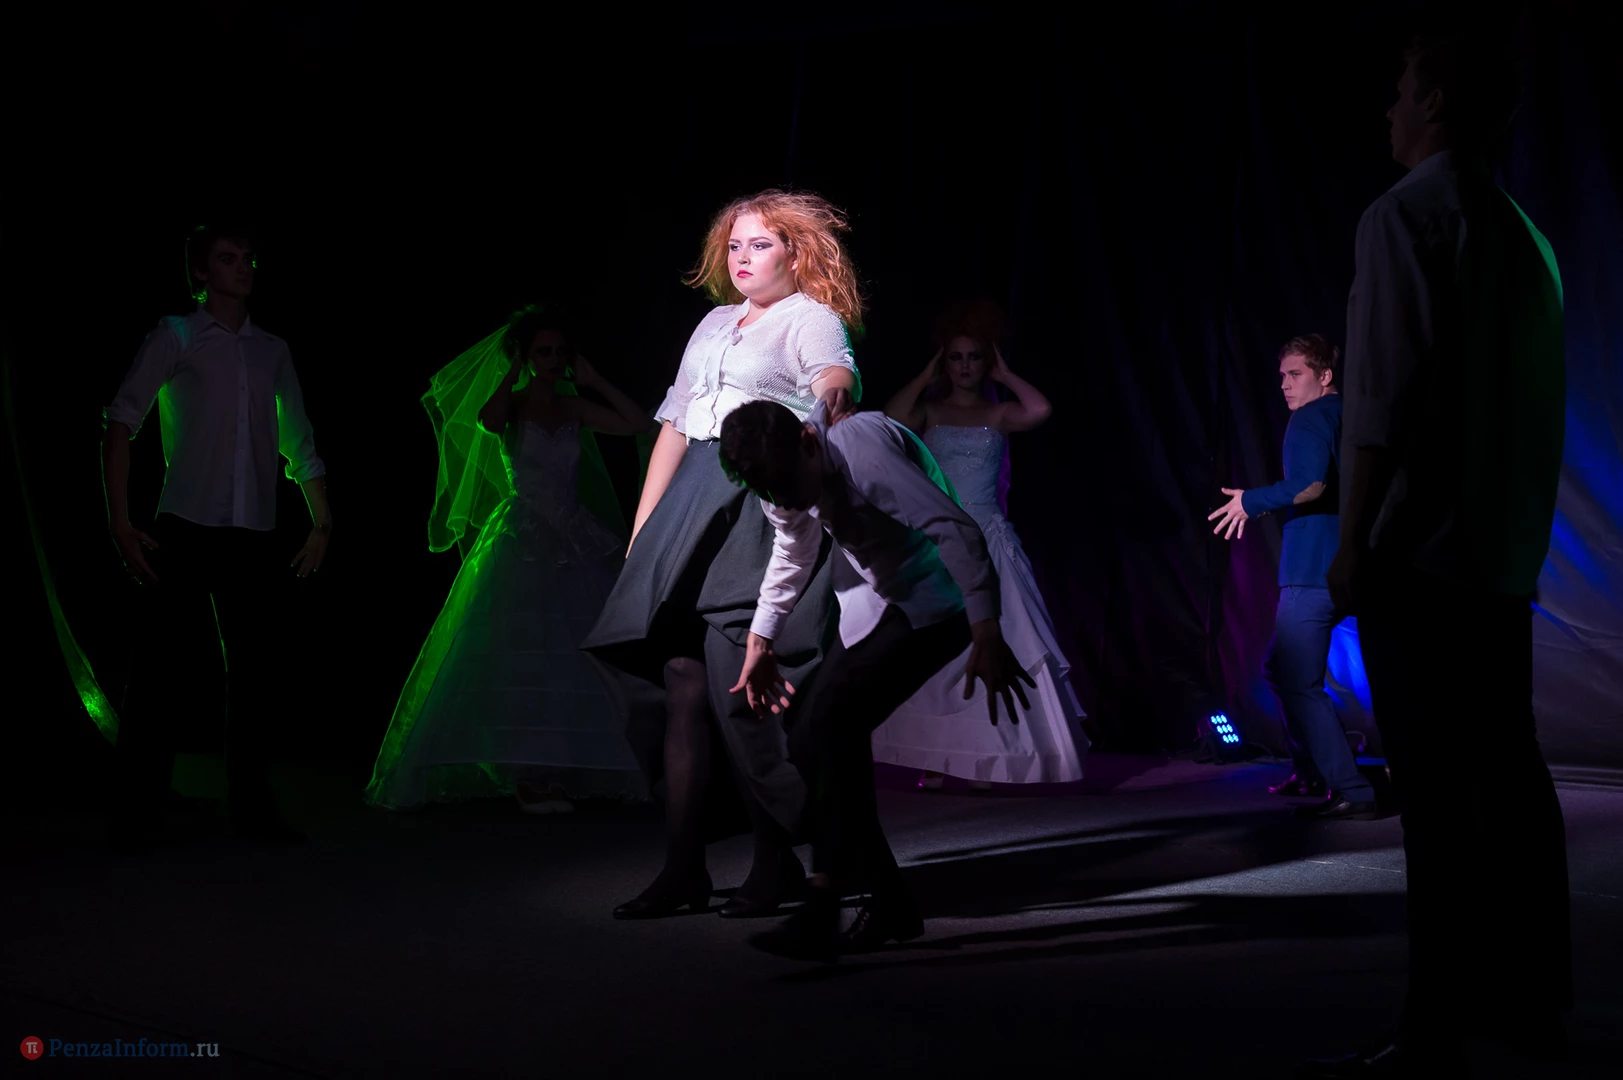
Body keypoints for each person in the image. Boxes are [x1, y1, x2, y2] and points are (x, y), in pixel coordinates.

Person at [1303, 28, 1570, 1077]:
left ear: (1440, 102)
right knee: (1510, 776)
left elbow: (1382, 396)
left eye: (1402, 90)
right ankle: (1531, 1002)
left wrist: (1354, 543)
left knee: (1436, 797)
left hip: (1418, 550)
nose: (1388, 109)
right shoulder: (1523, 233)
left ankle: (1436, 1023)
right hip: (1499, 552)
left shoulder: (1404, 216)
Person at [581, 190, 861, 921]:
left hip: (752, 503)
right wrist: (644, 533)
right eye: (734, 245)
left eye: (760, 244)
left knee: (736, 680)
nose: (742, 258)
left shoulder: (809, 317)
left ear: (796, 252)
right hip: (687, 509)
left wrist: (828, 407)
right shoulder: (712, 323)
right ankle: (683, 867)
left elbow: (836, 379)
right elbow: (674, 427)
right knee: (677, 680)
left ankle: (775, 863)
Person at [720, 398, 1034, 962]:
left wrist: (986, 629)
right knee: (809, 736)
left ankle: (826, 900)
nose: (787, 502)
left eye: (790, 488)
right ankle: (886, 902)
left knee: (829, 723)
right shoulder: (780, 474)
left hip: (940, 601)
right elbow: (793, 547)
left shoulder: (861, 448)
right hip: (888, 602)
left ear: (808, 442)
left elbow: (954, 528)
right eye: (774, 494)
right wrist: (761, 639)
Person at [365, 307, 655, 813]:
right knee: (522, 649)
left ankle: (556, 769)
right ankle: (526, 773)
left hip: (573, 535)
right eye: (543, 351)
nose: (554, 360)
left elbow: (638, 424)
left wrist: (593, 381)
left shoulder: (572, 406)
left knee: (574, 652)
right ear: (524, 356)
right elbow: (489, 421)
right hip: (522, 534)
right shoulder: (513, 406)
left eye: (559, 352)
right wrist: (512, 372)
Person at [102, 225, 330, 851]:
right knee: (159, 674)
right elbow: (121, 421)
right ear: (201, 273)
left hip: (254, 532)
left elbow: (299, 442)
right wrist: (121, 521)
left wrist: (322, 522)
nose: (244, 267)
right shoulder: (176, 335)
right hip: (185, 525)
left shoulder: (272, 350)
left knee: (254, 675)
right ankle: (136, 815)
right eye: (228, 259)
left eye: (248, 258)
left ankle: (253, 811)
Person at [873, 303, 1088, 789]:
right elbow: (890, 417)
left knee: (1003, 640)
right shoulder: (930, 410)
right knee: (942, 650)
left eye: (973, 357)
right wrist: (926, 374)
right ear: (944, 362)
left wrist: (1006, 374)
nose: (965, 365)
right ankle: (938, 757)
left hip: (990, 535)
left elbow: (1040, 410)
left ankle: (993, 759)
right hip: (942, 536)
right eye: (956, 357)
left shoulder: (999, 413)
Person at [1208, 334, 1376, 818]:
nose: (1284, 384)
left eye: (1295, 374)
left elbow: (1310, 485)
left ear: (1325, 375)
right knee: (1280, 670)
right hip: (1354, 565)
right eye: (1282, 375)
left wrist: (1251, 501)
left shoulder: (1311, 416)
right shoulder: (1352, 415)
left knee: (1299, 682)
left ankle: (1354, 791)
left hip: (1312, 572)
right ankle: (1310, 770)